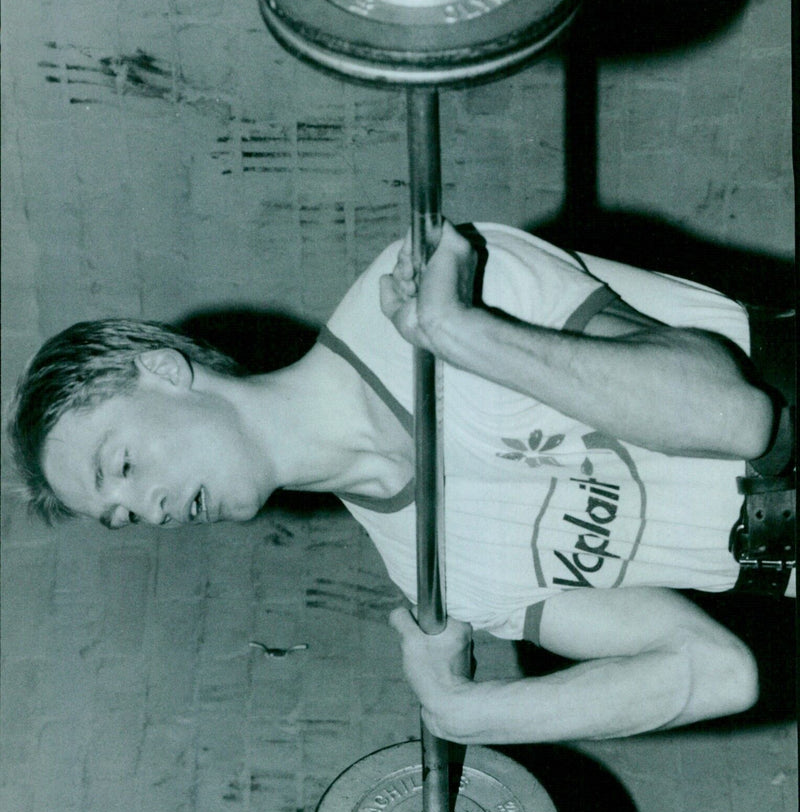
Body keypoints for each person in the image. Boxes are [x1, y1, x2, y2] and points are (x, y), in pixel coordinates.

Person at [8, 221, 795, 745]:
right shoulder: (440, 578)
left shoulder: (418, 293)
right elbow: (715, 672)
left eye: (121, 465)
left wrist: (464, 334)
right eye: (120, 517)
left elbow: (736, 416)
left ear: (164, 372)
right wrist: (466, 713)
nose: (145, 510)